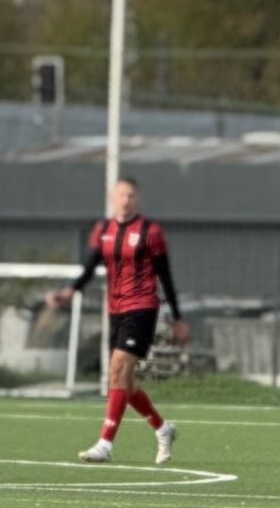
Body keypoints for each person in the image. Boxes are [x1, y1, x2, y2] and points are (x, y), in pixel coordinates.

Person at [47, 176, 189, 464]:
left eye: (132, 196)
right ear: (113, 198)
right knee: (126, 381)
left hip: (143, 307)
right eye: (122, 195)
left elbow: (166, 276)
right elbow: (88, 270)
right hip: (115, 309)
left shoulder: (151, 231)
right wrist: (67, 292)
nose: (126, 200)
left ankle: (105, 444)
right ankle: (163, 428)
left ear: (138, 199)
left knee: (117, 367)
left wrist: (177, 317)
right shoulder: (102, 230)